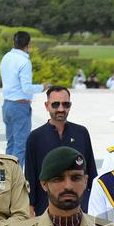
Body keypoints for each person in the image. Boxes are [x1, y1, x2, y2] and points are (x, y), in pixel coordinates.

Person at [26, 86, 98, 215]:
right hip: (46, 209)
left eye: (65, 104)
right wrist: (30, 207)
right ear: (47, 106)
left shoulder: (81, 133)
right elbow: (30, 177)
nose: (61, 109)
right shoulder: (35, 137)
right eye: (55, 104)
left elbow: (91, 173)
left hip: (80, 209)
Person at [0, 30, 47, 168]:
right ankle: (16, 179)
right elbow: (26, 88)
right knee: (21, 145)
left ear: (14, 42)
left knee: (11, 143)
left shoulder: (6, 57)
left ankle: (7, 175)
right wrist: (42, 87)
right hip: (20, 106)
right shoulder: (24, 62)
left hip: (7, 104)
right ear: (28, 44)